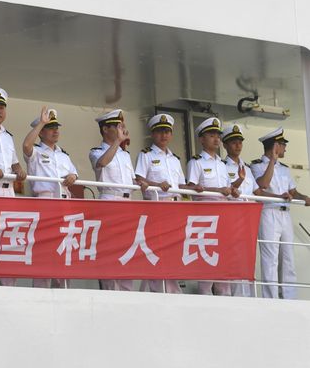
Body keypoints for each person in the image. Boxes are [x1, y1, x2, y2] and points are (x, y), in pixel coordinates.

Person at [250, 128, 310, 300]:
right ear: (275, 146)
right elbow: (262, 185)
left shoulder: (284, 169)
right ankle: (271, 299)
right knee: (271, 258)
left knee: (288, 257)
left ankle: (289, 298)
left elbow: (292, 192)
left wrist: (304, 198)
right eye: (283, 144)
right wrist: (272, 161)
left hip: (285, 214)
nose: (285, 148)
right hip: (268, 213)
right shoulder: (256, 166)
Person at [23, 106, 78, 289]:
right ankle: (41, 289)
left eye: (56, 127)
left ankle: (63, 288)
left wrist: (73, 177)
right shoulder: (36, 152)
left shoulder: (64, 155)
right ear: (41, 132)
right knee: (45, 248)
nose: (55, 131)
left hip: (64, 202)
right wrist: (41, 123)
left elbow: (73, 173)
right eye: (50, 128)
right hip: (45, 201)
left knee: (64, 247)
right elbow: (26, 146)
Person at [134, 113, 186, 294]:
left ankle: (172, 289)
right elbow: (139, 179)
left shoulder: (175, 159)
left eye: (167, 131)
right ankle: (156, 290)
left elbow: (181, 185)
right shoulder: (146, 155)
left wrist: (195, 187)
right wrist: (158, 185)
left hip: (175, 207)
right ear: (153, 134)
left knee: (173, 250)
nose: (164, 135)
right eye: (160, 131)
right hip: (157, 206)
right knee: (156, 250)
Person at [186, 117, 237, 296]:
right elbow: (191, 189)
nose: (216, 139)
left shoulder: (222, 164)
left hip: (223, 216)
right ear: (202, 139)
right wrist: (218, 190)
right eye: (211, 135)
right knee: (207, 259)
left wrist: (233, 190)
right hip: (205, 216)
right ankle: (205, 299)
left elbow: (227, 188)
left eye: (218, 135)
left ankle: (225, 299)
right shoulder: (196, 162)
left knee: (223, 260)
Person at [89, 109, 136, 291]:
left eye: (121, 126)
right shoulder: (96, 151)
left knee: (127, 247)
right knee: (110, 248)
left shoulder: (125, 155)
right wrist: (118, 142)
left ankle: (126, 290)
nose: (121, 129)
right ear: (105, 129)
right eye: (117, 126)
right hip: (109, 200)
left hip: (128, 202)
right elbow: (102, 163)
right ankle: (109, 290)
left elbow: (132, 180)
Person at [222, 124, 259, 297]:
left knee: (248, 256)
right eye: (233, 142)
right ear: (225, 145)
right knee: (234, 256)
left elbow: (257, 191)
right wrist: (238, 181)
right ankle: (237, 296)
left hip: (248, 217)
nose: (238, 145)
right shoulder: (222, 166)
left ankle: (250, 295)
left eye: (239, 142)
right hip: (232, 217)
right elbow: (225, 190)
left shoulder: (248, 168)